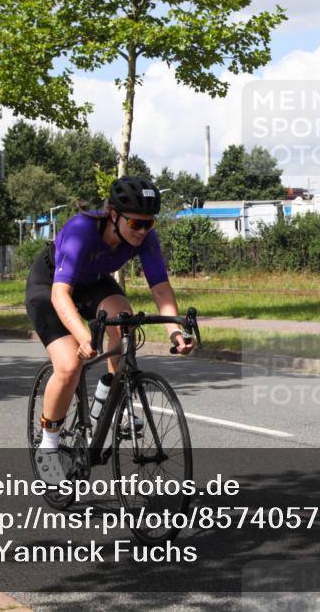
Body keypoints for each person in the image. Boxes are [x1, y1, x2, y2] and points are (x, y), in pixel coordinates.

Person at [25, 176, 194, 483]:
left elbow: (160, 288)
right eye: (136, 224)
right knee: (70, 364)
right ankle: (47, 446)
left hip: (94, 283)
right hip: (51, 286)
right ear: (114, 216)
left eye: (149, 224)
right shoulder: (81, 231)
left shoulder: (145, 237)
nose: (143, 231)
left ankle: (117, 393)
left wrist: (174, 331)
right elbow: (60, 295)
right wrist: (84, 337)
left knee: (124, 319)